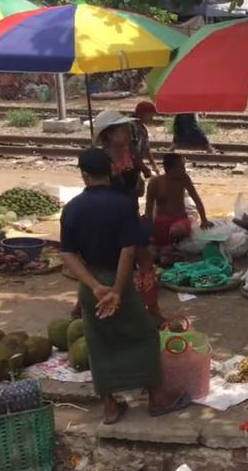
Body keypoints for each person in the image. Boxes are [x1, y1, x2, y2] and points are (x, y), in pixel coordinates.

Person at [60, 148, 190, 424]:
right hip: (117, 277)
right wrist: (117, 290)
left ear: (84, 174)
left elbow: (67, 254)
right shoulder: (122, 204)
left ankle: (109, 407)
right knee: (143, 334)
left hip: (90, 281)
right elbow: (128, 251)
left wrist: (95, 287)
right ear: (110, 170)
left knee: (98, 342)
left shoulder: (71, 209)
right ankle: (157, 399)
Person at [93, 110, 162, 323]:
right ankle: (88, 306)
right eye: (122, 130)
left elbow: (138, 187)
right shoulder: (99, 161)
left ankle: (152, 308)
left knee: (145, 260)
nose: (127, 132)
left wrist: (135, 184)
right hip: (110, 219)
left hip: (130, 215)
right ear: (108, 135)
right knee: (107, 265)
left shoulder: (129, 154)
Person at [145, 153, 212, 249]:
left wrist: (204, 220)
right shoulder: (155, 183)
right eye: (181, 167)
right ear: (170, 170)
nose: (184, 170)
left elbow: (196, 199)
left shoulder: (184, 178)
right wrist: (149, 228)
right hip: (161, 221)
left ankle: (172, 247)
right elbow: (148, 209)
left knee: (176, 231)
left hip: (180, 219)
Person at [132, 101, 161, 179]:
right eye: (150, 115)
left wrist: (154, 165)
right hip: (128, 164)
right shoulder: (131, 126)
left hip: (137, 164)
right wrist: (144, 168)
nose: (151, 118)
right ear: (141, 114)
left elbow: (146, 149)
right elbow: (133, 150)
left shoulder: (143, 129)